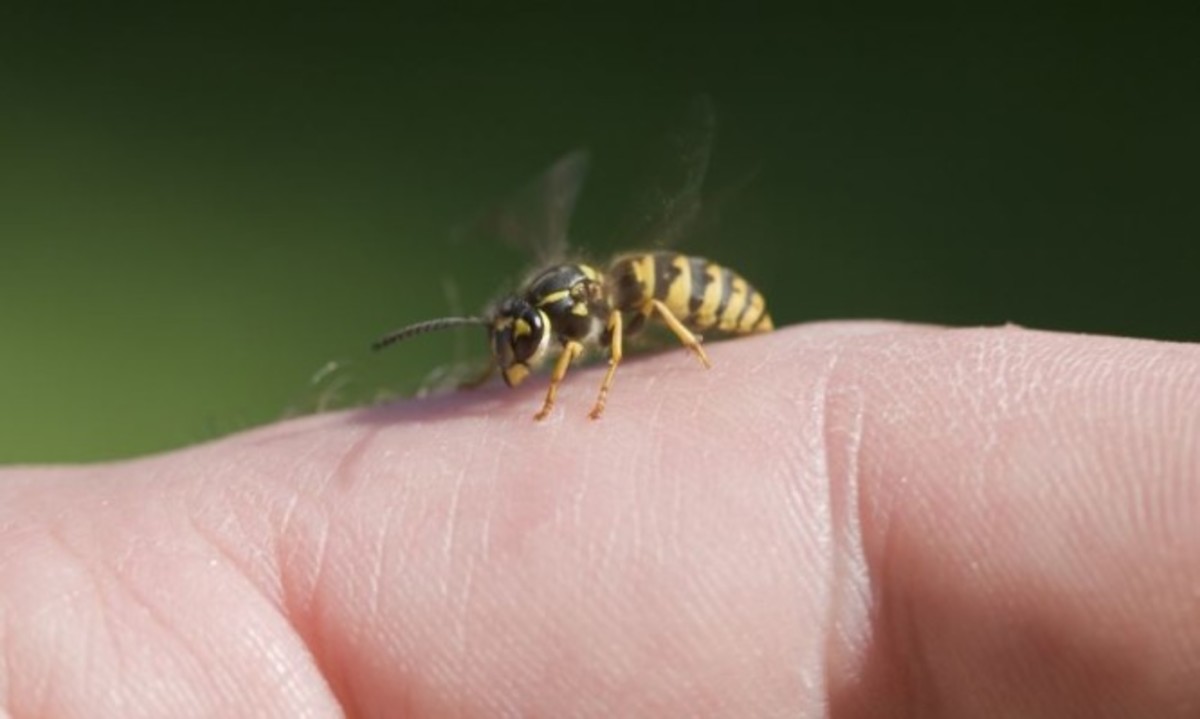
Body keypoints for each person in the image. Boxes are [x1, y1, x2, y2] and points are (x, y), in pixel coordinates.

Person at [2, 323, 1197, 716]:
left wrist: (621, 383)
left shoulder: (607, 331)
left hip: (681, 310)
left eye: (525, 347)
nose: (520, 359)